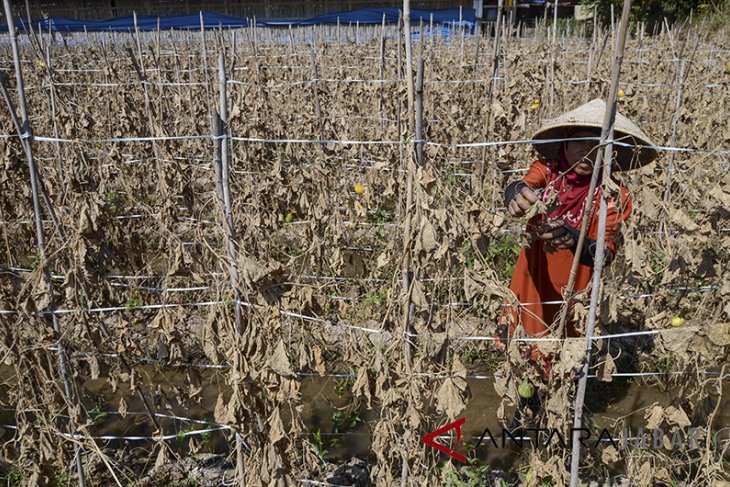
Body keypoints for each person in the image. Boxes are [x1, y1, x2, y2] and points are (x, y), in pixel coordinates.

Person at [497, 98, 658, 375]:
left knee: (566, 350)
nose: (587, 151)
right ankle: (530, 402)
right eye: (579, 142)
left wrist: (575, 239)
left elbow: (604, 254)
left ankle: (562, 399)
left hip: (576, 284)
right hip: (535, 274)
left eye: (599, 145)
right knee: (526, 340)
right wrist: (514, 191)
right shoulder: (547, 171)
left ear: (612, 153)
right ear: (565, 144)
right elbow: (525, 184)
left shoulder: (615, 196)